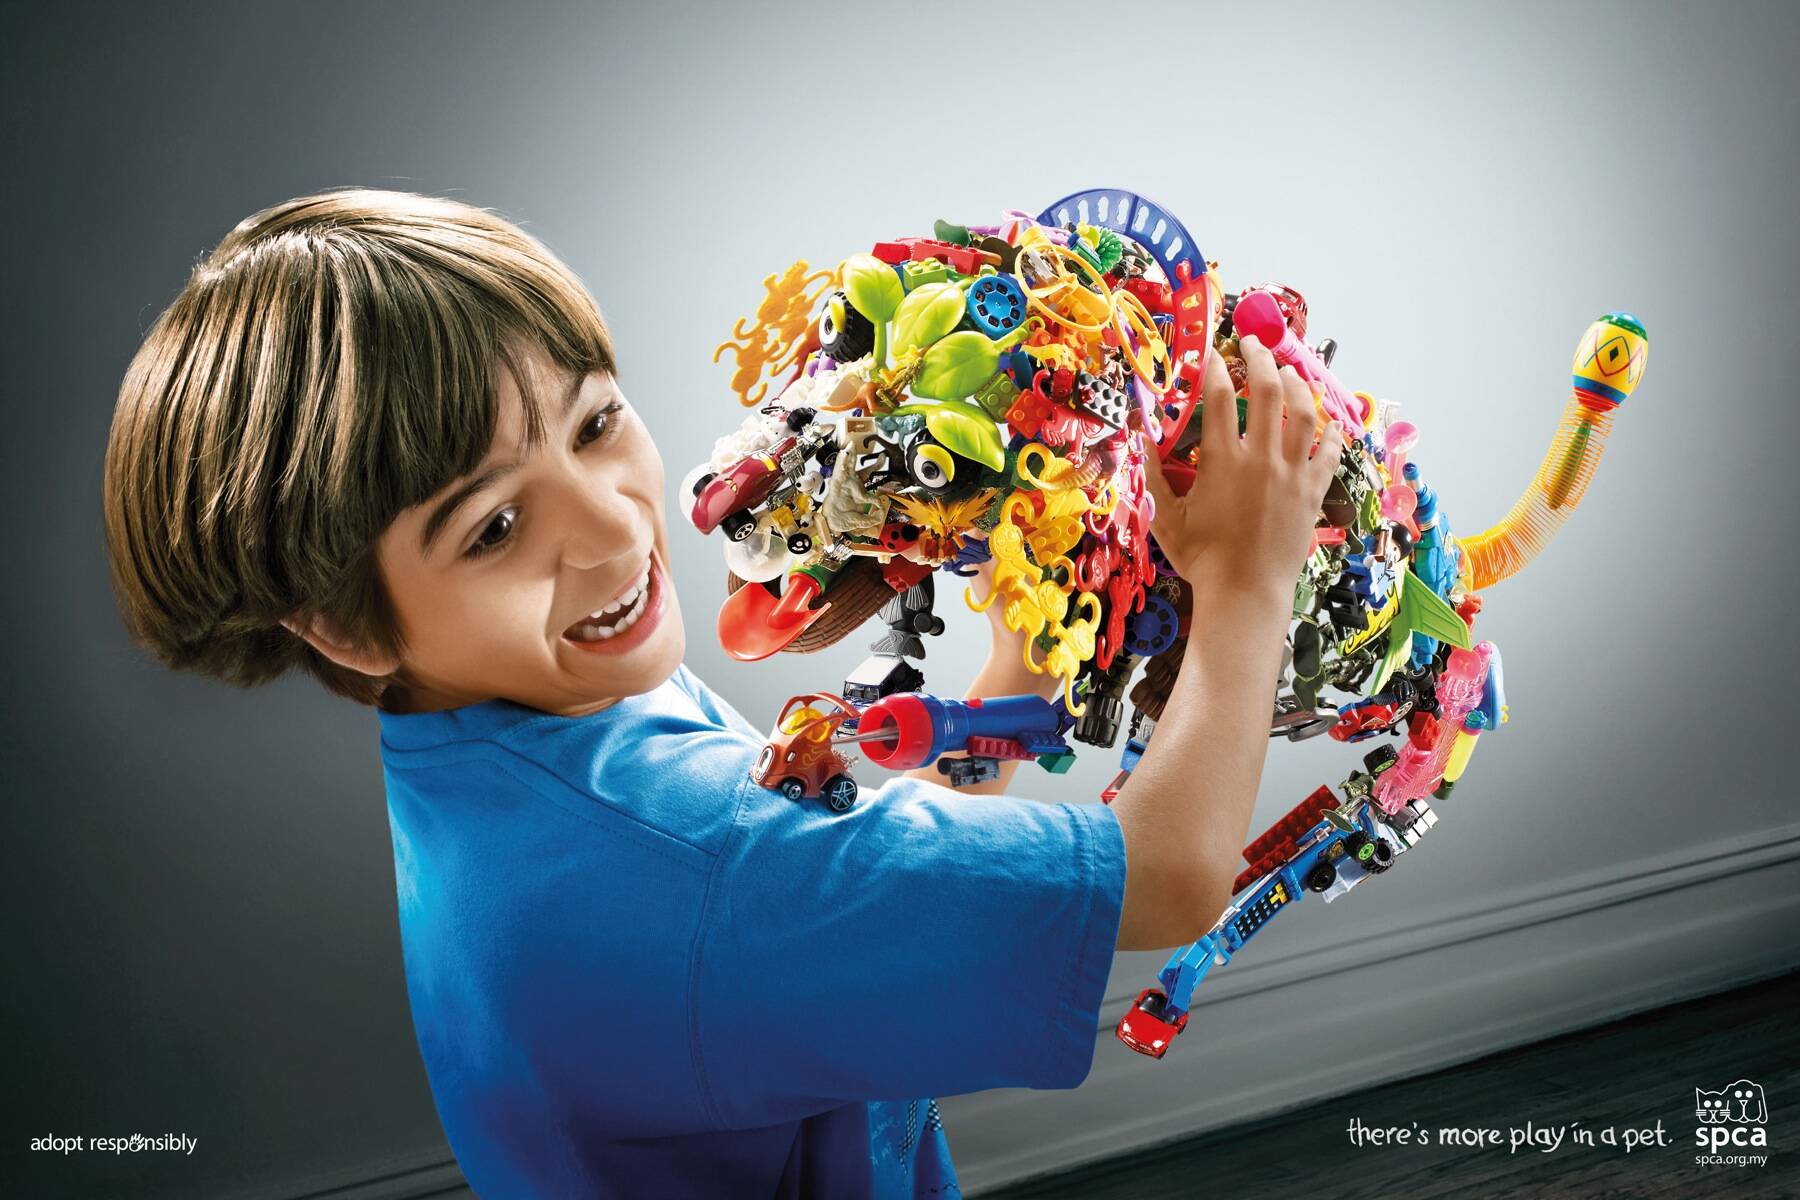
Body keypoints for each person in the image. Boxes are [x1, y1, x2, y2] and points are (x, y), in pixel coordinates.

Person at [101, 189, 1341, 1198]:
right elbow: (1167, 876)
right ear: (339, 623)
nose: (611, 530)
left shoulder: (502, 736)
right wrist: (1250, 578)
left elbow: (841, 899)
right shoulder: (694, 857)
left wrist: (1023, 643)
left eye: (594, 425)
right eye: (493, 528)